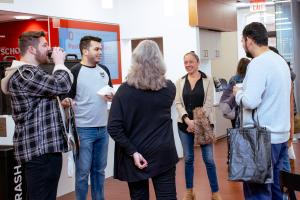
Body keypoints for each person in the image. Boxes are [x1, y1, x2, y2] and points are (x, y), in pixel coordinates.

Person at [0, 31, 73, 200]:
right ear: (32, 49)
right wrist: (60, 63)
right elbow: (62, 85)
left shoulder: (30, 72)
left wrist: (58, 105)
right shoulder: (25, 73)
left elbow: (40, 100)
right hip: (40, 150)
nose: (50, 49)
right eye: (45, 45)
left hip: (42, 150)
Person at [107, 40, 178, 200]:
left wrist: (133, 151)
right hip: (163, 154)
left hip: (136, 156)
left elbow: (113, 127)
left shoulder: (124, 92)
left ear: (135, 61)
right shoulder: (169, 89)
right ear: (159, 61)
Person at [233, 22, 291, 200]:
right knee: (276, 191)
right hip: (281, 136)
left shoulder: (257, 64)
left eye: (243, 41)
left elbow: (250, 101)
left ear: (249, 40)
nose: (243, 44)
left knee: (257, 193)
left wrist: (238, 93)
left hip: (261, 138)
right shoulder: (280, 61)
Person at [63, 36, 113, 200]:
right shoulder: (74, 72)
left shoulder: (104, 70)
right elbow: (66, 99)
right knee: (83, 173)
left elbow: (110, 91)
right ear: (85, 51)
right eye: (96, 49)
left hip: (102, 129)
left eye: (101, 49)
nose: (100, 52)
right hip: (83, 131)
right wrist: (67, 102)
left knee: (99, 172)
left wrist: (111, 96)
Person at [175, 51, 222, 200]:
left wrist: (196, 121)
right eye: (185, 62)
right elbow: (178, 103)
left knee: (208, 159)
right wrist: (187, 120)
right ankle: (189, 192)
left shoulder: (207, 80)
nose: (188, 65)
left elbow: (208, 104)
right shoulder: (180, 81)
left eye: (191, 62)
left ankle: (215, 192)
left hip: (204, 124)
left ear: (197, 62)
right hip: (184, 126)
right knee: (188, 159)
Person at [220, 58, 250, 127]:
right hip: (245, 109)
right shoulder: (249, 79)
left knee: (235, 129)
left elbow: (228, 94)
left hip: (234, 109)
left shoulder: (233, 79)